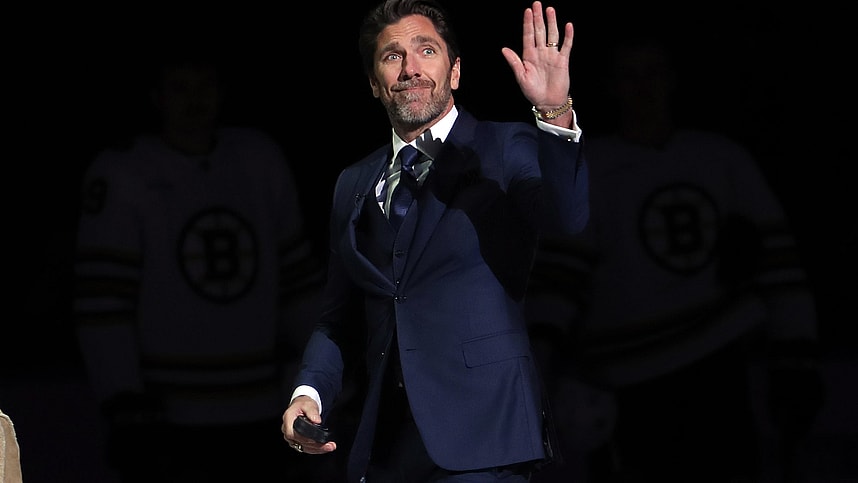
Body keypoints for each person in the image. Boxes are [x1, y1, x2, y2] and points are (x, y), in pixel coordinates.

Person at [279, 0, 588, 481]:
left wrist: (553, 113)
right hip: (388, 448)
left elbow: (568, 218)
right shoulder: (353, 182)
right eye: (392, 56)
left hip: (487, 437)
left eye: (427, 50)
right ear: (374, 83)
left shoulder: (503, 147)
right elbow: (339, 317)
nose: (410, 68)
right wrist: (309, 392)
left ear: (455, 71)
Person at [525, 35, 824, 483]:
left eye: (652, 73)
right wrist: (539, 376)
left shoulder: (721, 159)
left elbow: (779, 268)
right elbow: (558, 284)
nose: (643, 87)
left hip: (721, 368)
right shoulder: (591, 168)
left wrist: (796, 360)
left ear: (671, 80)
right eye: (630, 76)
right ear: (612, 86)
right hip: (627, 384)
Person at [73, 40, 331, 482]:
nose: (194, 100)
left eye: (204, 86)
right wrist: (122, 396)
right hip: (165, 414)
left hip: (260, 403)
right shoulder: (123, 173)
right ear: (156, 97)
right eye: (179, 87)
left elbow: (297, 282)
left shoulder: (259, 159)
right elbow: (102, 301)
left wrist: (314, 379)